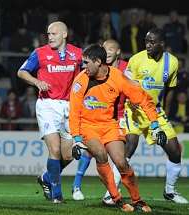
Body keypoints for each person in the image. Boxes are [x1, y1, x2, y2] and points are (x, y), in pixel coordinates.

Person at [69, 43, 158, 212]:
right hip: (87, 126)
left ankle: (137, 200)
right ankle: (115, 198)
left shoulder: (117, 77)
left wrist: (154, 122)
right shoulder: (81, 81)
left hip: (110, 125)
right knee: (101, 155)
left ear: (98, 62)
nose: (83, 66)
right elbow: (74, 111)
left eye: (86, 62)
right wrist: (76, 138)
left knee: (121, 162)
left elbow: (142, 98)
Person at [17, 21, 82, 203]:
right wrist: (37, 82)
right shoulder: (40, 53)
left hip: (69, 106)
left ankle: (46, 177)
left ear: (64, 34)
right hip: (47, 105)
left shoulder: (77, 54)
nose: (50, 37)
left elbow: (87, 74)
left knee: (68, 156)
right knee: (54, 149)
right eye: (48, 34)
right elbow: (21, 72)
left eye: (53, 33)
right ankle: (57, 195)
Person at [124, 28, 188, 204]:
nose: (148, 45)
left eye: (152, 42)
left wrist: (165, 110)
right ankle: (111, 192)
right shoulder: (136, 59)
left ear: (162, 44)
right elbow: (126, 84)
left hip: (156, 111)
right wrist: (131, 99)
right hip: (134, 109)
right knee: (129, 147)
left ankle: (170, 191)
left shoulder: (172, 62)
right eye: (146, 41)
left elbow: (170, 90)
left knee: (175, 151)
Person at [71, 39, 127, 204]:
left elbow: (132, 88)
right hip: (97, 117)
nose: (107, 51)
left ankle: (113, 192)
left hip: (121, 116)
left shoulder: (125, 68)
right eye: (105, 48)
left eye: (111, 49)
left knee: (122, 157)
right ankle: (77, 186)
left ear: (117, 52)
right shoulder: (91, 73)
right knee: (93, 152)